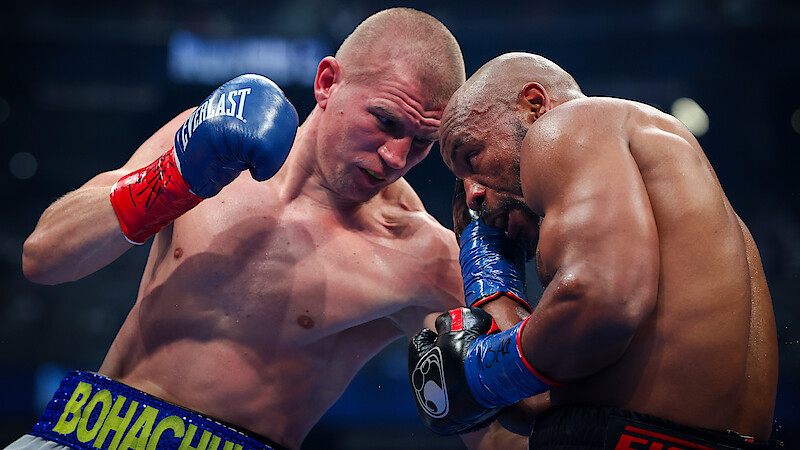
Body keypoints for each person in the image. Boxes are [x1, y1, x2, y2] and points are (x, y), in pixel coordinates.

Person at [13, 8, 476, 450]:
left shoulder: (423, 254)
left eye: (421, 143)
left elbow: (504, 413)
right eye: (385, 121)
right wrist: (175, 178)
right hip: (83, 428)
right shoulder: (204, 138)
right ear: (327, 82)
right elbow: (44, 257)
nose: (395, 158)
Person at [408, 52, 781, 449]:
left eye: (472, 156)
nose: (473, 195)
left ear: (534, 106)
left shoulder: (571, 123)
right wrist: (490, 267)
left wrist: (485, 373)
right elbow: (539, 400)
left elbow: (604, 300)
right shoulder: (701, 221)